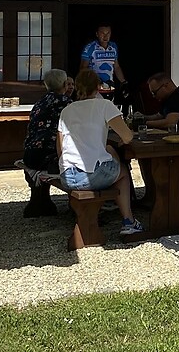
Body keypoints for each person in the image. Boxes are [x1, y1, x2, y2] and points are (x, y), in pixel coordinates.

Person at [57, 69, 141, 235]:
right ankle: (128, 220)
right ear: (98, 87)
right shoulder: (104, 105)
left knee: (109, 154)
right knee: (122, 171)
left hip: (67, 176)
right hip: (90, 175)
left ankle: (110, 204)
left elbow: (60, 148)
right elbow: (127, 136)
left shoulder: (67, 110)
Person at [20, 68, 72, 217]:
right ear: (64, 84)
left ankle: (41, 202)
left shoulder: (40, 102)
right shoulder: (67, 103)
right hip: (47, 157)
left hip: (30, 155)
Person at [79, 24, 127, 91]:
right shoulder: (90, 47)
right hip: (94, 87)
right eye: (102, 33)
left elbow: (116, 67)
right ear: (97, 34)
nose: (105, 36)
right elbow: (83, 68)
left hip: (109, 86)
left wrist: (123, 82)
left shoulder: (113, 46)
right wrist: (94, 81)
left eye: (108, 33)